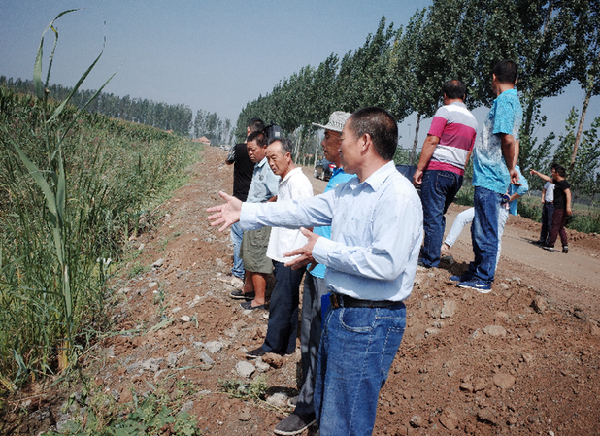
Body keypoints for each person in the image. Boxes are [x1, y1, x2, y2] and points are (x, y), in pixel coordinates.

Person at [208, 107, 423, 436]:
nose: (338, 146)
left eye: (345, 139)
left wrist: (322, 249)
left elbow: (386, 264)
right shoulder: (349, 188)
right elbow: (300, 209)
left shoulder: (397, 196)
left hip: (370, 320)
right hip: (342, 313)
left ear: (364, 142)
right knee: (333, 410)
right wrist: (247, 211)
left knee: (344, 421)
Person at [274, 111, 355, 435]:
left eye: (328, 137)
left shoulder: (348, 181)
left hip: (327, 278)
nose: (323, 142)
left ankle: (311, 406)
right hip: (317, 270)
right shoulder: (337, 177)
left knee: (317, 341)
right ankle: (313, 403)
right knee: (310, 339)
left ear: (343, 139)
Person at [453, 60, 522, 293]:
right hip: (488, 176)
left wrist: (511, 167)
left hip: (492, 176)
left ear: (494, 77)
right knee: (479, 227)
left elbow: (508, 139)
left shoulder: (505, 101)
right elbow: (515, 139)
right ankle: (477, 270)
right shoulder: (512, 101)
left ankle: (483, 278)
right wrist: (512, 167)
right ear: (516, 79)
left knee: (486, 229)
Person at [246, 137, 314, 358]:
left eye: (274, 157)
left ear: (287, 156)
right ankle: (285, 345)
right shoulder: (285, 181)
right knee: (288, 300)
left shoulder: (298, 183)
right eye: (268, 159)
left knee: (279, 301)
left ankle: (271, 346)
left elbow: (308, 218)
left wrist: (302, 251)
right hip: (284, 250)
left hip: (291, 252)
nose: (271, 163)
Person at [413, 80, 478, 269]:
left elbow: (432, 140)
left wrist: (420, 168)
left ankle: (429, 259)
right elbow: (468, 153)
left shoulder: (445, 111)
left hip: (438, 170)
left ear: (445, 96)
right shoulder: (473, 120)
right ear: (464, 96)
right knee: (439, 214)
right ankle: (433, 254)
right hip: (456, 173)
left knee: (431, 215)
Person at [443, 166, 528, 270]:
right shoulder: (494, 164)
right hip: (487, 204)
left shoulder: (513, 167)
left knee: (496, 237)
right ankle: (446, 245)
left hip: (501, 209)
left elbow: (524, 187)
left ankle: (491, 269)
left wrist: (509, 199)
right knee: (462, 217)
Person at [231, 130, 279, 309]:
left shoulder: (269, 168)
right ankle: (248, 288)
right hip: (252, 217)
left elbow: (276, 194)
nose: (250, 153)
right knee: (249, 255)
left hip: (260, 220)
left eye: (253, 150)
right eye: (248, 149)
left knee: (258, 259)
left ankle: (259, 300)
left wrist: (262, 210)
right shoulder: (259, 165)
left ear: (264, 148)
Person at [225, 117, 265, 285]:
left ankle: (238, 274)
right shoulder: (263, 156)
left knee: (238, 238)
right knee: (252, 241)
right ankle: (250, 277)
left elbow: (228, 160)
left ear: (249, 131)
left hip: (239, 199)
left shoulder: (240, 149)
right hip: (256, 203)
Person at [530, 165, 572, 253]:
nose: (551, 174)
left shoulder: (562, 184)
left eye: (553, 172)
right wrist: (537, 173)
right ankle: (565, 245)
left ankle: (550, 245)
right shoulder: (557, 182)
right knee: (560, 227)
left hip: (559, 208)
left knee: (554, 226)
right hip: (560, 208)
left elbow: (568, 193)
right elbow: (547, 179)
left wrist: (568, 207)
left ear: (557, 173)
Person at [531, 164, 559, 246]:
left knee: (550, 224)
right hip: (547, 204)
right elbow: (544, 189)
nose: (551, 173)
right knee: (545, 223)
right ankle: (542, 240)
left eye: (553, 172)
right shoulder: (549, 182)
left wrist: (537, 173)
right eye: (551, 171)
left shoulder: (558, 183)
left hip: (552, 206)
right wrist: (543, 198)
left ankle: (549, 242)